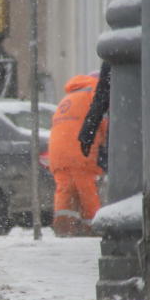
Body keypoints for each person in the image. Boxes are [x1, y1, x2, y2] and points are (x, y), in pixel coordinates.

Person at [49, 72, 108, 237]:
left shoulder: (69, 96)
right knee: (87, 188)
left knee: (64, 189)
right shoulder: (95, 91)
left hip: (57, 153)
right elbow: (101, 120)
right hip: (79, 151)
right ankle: (95, 226)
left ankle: (63, 227)